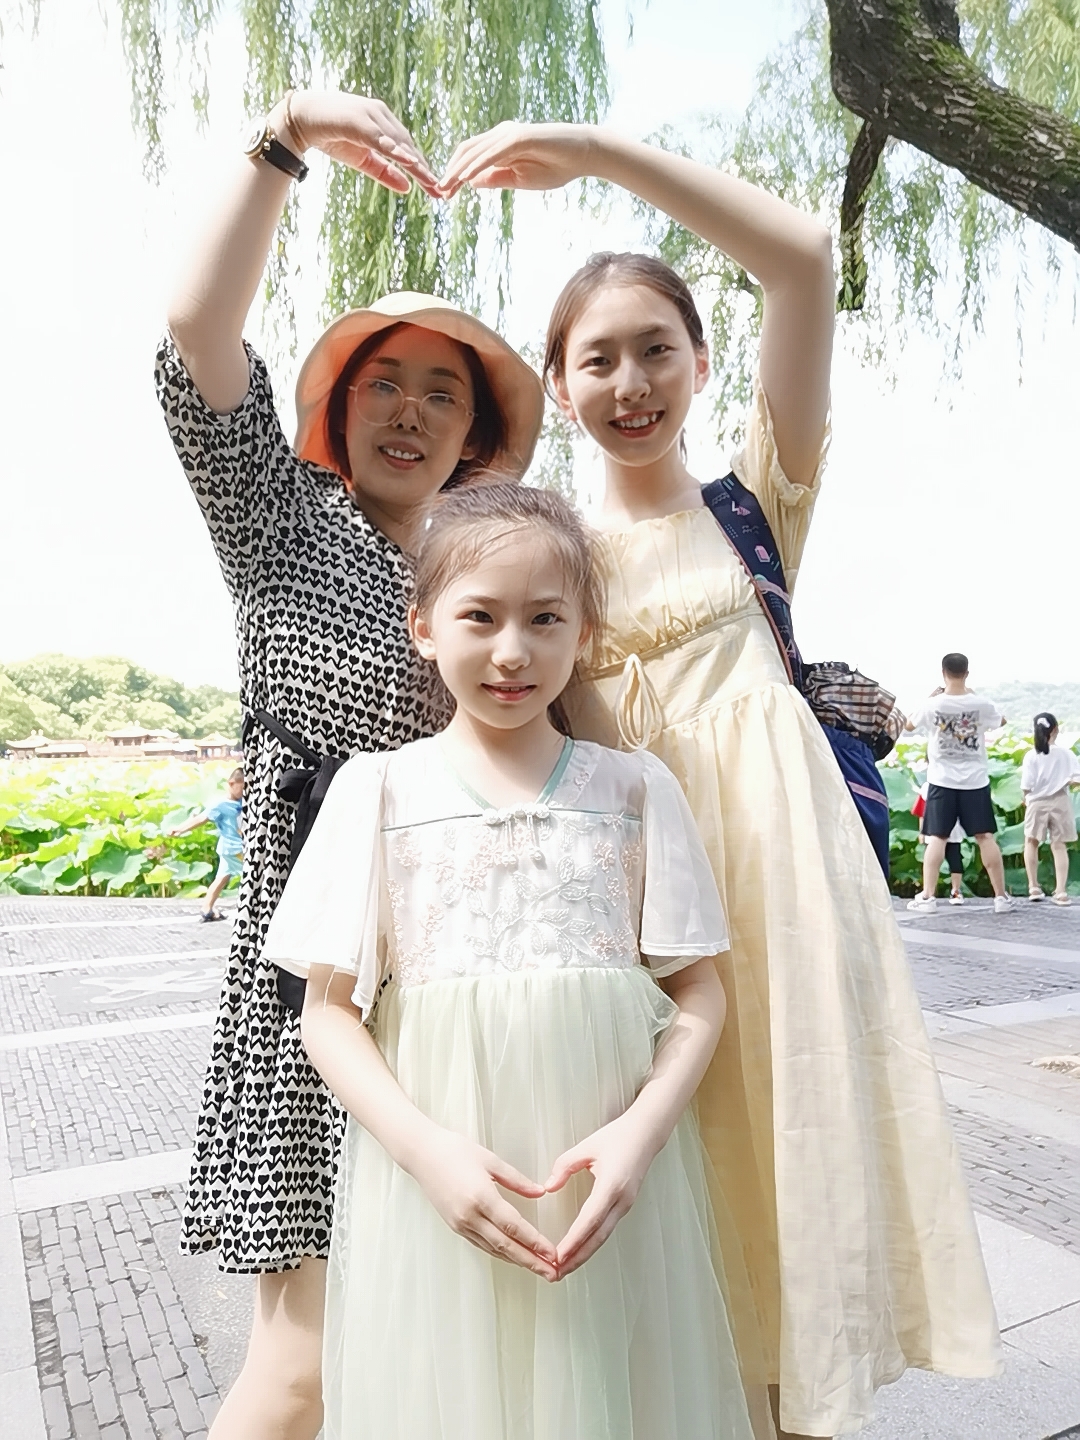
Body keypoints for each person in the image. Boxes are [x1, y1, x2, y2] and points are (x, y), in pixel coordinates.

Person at [440, 125, 1002, 1438]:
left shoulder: (756, 502)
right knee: (659, 1172)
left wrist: (592, 154)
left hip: (779, 876)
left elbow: (803, 256)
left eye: (657, 349)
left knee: (785, 1156)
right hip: (633, 887)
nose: (630, 382)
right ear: (558, 385)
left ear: (701, 361)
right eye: (598, 359)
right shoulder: (549, 546)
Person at [155, 89, 544, 1440]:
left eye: (445, 394)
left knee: (419, 1351)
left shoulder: (484, 583)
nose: (413, 412)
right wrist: (285, 141)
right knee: (304, 1366)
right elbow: (198, 334)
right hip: (312, 977)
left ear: (476, 436)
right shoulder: (282, 521)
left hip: (455, 975)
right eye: (388, 382)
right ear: (339, 406)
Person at [262, 484, 756, 1440]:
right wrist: (428, 1155)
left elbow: (697, 990)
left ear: (584, 631)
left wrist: (640, 1134)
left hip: (608, 1185)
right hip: (440, 1179)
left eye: (545, 618)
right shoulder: (378, 791)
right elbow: (327, 1012)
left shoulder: (635, 788)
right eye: (480, 617)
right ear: (424, 626)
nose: (513, 650)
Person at [906, 655, 1012, 914]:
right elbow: (1002, 721)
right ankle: (1000, 898)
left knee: (937, 838)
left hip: (941, 781)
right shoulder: (980, 703)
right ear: (967, 673)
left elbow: (908, 725)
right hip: (975, 781)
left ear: (943, 672)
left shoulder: (932, 704)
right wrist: (973, 698)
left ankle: (928, 897)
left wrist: (929, 698)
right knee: (985, 837)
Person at [166, 766, 245, 920]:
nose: (245, 792)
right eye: (242, 788)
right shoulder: (220, 805)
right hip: (234, 849)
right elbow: (201, 818)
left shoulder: (243, 801)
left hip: (229, 848)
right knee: (251, 874)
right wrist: (180, 829)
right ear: (231, 783)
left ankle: (206, 908)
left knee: (222, 877)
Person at [1022, 711, 1080, 906]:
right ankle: (1061, 891)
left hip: (1036, 801)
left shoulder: (1031, 755)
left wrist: (1025, 798)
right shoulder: (1066, 754)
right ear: (1055, 729)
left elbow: (1027, 785)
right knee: (1059, 845)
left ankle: (1033, 887)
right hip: (1060, 800)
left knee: (1031, 842)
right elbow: (1076, 779)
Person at [912, 782, 966, 904]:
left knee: (954, 862)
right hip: (936, 831)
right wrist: (921, 832)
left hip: (946, 831)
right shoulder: (927, 787)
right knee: (935, 862)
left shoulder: (956, 784)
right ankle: (930, 892)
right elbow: (922, 811)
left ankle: (954, 891)